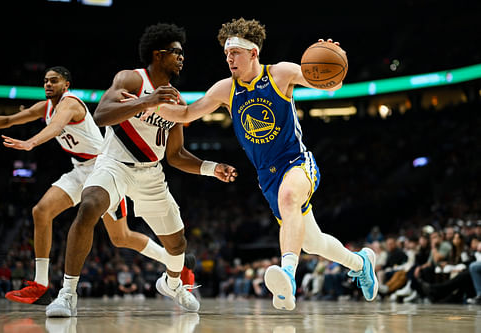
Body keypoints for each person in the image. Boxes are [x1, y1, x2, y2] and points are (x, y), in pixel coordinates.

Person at [145, 18, 378, 310]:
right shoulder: (225, 89)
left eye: (236, 53)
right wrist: (147, 103)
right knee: (312, 242)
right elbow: (186, 114)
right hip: (267, 177)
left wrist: (334, 59)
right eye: (227, 54)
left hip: (296, 161)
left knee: (290, 196)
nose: (229, 58)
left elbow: (331, 83)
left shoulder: (281, 74)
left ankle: (288, 278)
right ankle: (361, 263)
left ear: (253, 53)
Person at [46, 23, 237, 317]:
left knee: (178, 243)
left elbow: (175, 155)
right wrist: (147, 100)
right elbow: (101, 115)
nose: (182, 58)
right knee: (90, 206)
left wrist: (212, 168)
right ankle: (67, 294)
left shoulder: (176, 99)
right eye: (177, 53)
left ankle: (172, 284)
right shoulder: (132, 78)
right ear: (158, 55)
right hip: (113, 164)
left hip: (151, 173)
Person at [0, 66, 193, 305]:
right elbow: (9, 119)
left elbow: (56, 127)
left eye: (54, 80)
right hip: (79, 169)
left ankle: (175, 262)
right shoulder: (44, 107)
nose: (48, 84)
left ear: (66, 85)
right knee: (41, 212)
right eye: (45, 81)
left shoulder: (70, 104)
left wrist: (31, 142)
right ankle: (40, 285)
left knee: (121, 237)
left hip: (104, 168)